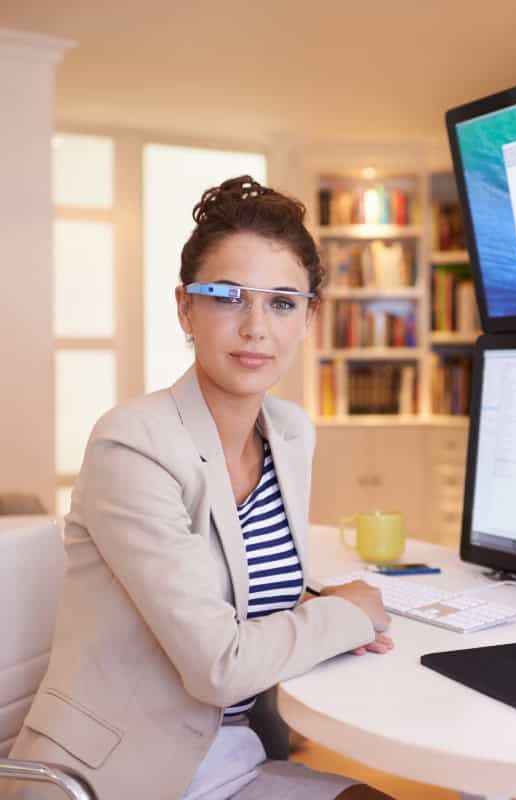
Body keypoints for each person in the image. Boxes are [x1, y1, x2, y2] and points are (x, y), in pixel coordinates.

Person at [8, 176, 395, 800]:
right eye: (227, 297)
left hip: (238, 757)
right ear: (186, 307)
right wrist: (346, 613)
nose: (255, 327)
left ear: (309, 318)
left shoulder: (291, 434)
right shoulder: (131, 444)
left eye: (281, 302)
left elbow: (244, 586)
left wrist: (329, 607)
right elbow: (221, 666)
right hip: (115, 777)